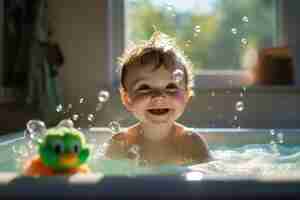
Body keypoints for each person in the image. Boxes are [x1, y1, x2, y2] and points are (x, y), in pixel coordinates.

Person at [105, 31, 211, 166]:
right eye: (144, 87)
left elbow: (210, 178)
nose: (159, 96)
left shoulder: (191, 143)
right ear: (127, 99)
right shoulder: (121, 143)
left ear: (186, 96)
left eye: (171, 86)